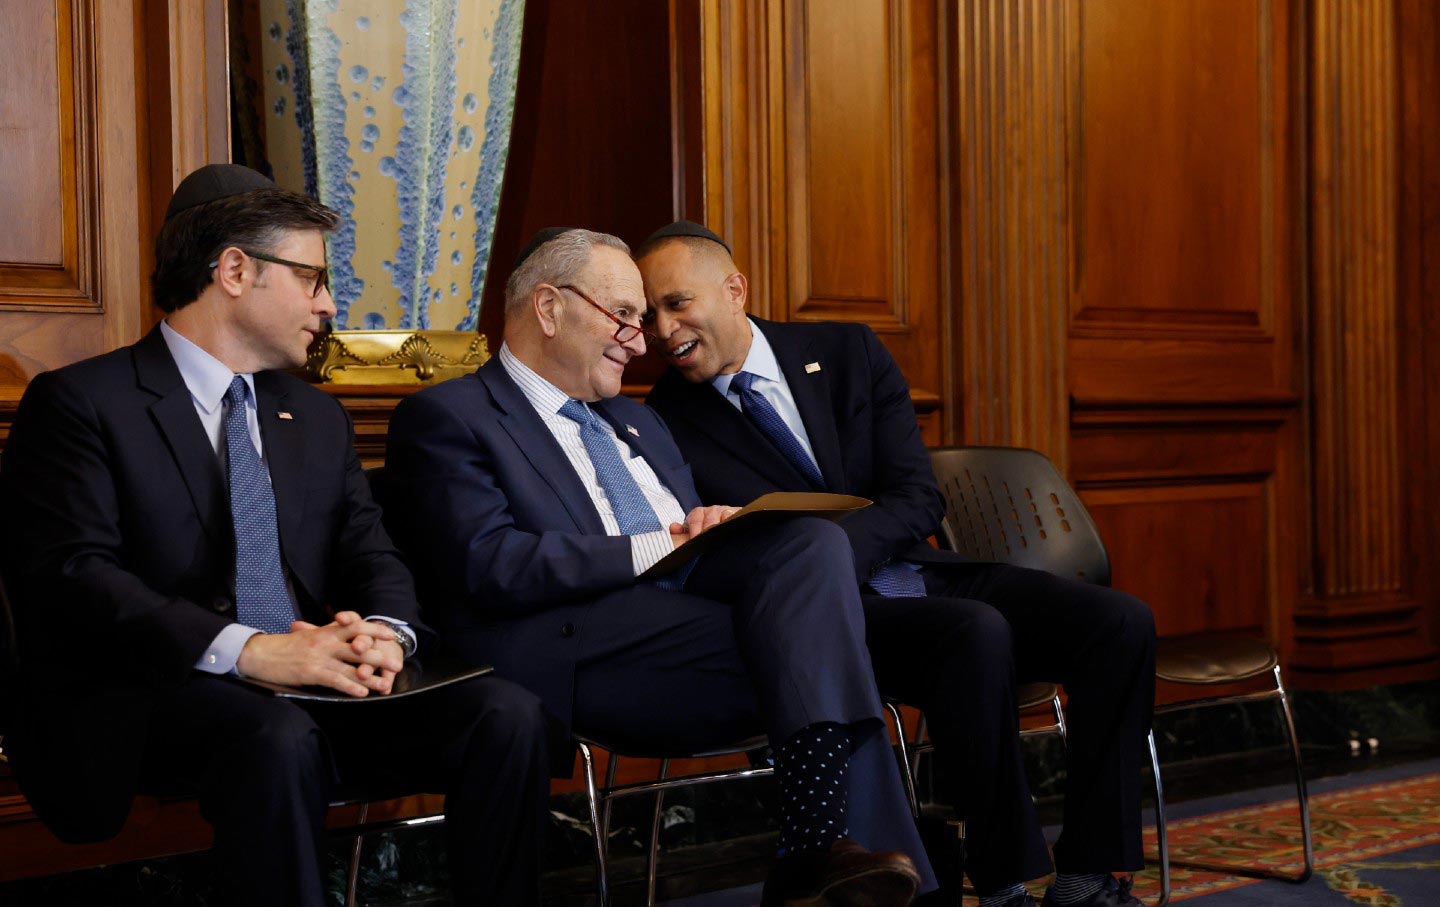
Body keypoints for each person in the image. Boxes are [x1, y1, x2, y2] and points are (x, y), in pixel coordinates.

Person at [0, 164, 553, 906]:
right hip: (157, 690)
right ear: (233, 270)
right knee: (275, 737)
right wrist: (254, 650)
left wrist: (387, 633)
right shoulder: (82, 403)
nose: (328, 305)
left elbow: (370, 550)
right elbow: (76, 579)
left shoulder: (312, 416)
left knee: (507, 714)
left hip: (312, 681)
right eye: (312, 279)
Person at [383, 227, 934, 906]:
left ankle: (819, 846)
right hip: (573, 642)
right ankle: (830, 854)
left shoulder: (636, 419)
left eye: (641, 321)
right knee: (826, 650)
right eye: (623, 315)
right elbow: (491, 562)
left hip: (687, 616)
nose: (640, 341)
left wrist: (710, 526)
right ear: (549, 308)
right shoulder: (450, 415)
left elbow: (688, 534)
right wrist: (660, 545)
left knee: (810, 547)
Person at [638, 221, 1157, 907]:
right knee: (974, 631)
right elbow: (719, 548)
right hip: (829, 623)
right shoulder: (664, 418)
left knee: (1120, 622)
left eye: (677, 303)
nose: (662, 329)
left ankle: (1091, 869)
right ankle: (1002, 879)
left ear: (734, 289)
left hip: (919, 568)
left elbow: (917, 492)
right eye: (647, 314)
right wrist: (819, 571)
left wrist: (835, 549)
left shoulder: (847, 350)